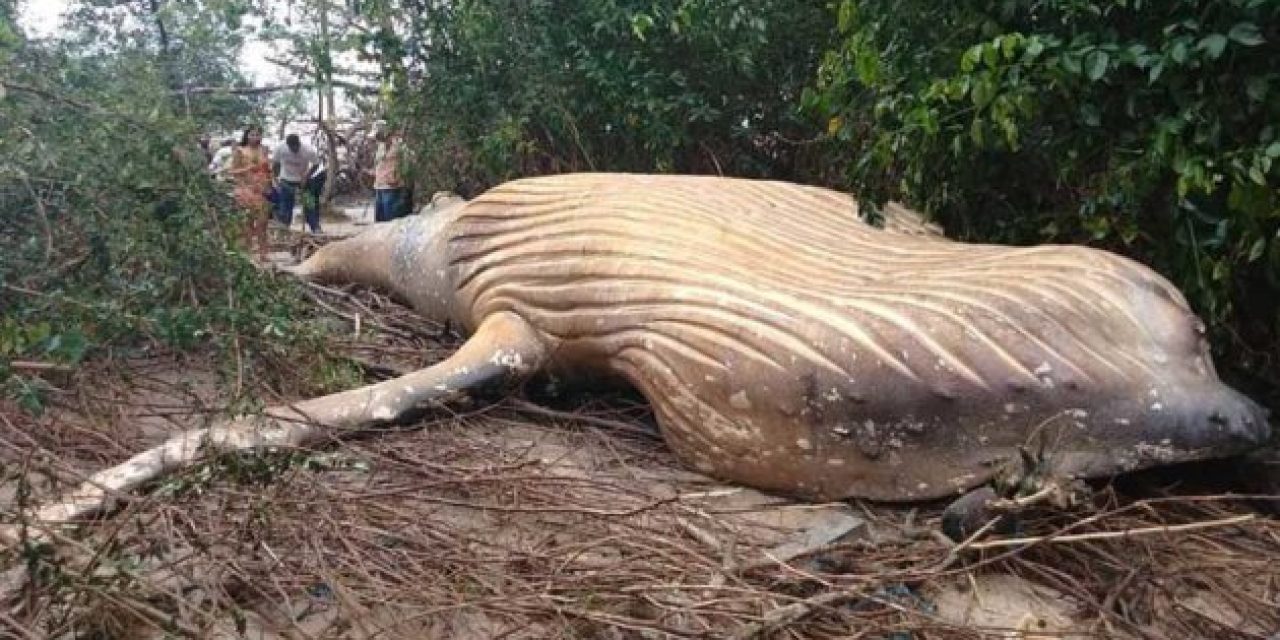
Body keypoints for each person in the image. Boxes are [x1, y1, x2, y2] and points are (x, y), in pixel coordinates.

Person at [224, 125, 273, 260]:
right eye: (252, 135)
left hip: (262, 191)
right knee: (248, 223)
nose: (255, 137)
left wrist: (271, 184)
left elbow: (268, 169)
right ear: (246, 136)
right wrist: (247, 169)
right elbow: (231, 171)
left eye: (258, 135)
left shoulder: (264, 150)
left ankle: (264, 253)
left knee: (263, 223)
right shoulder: (240, 151)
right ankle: (248, 252)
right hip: (246, 190)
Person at [272, 133, 321, 232]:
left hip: (304, 180)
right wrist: (275, 178)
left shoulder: (308, 150)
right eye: (292, 147)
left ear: (299, 143)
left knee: (309, 204)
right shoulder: (280, 148)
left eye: (296, 147)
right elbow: (276, 164)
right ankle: (284, 230)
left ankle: (315, 228)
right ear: (288, 145)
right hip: (286, 180)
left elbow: (316, 164)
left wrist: (307, 176)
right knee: (286, 207)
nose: (295, 149)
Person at [369, 123, 411, 222]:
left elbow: (408, 163)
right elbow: (380, 163)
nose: (376, 138)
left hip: (392, 188)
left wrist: (398, 178)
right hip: (379, 186)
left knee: (391, 220)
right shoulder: (380, 146)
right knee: (379, 221)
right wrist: (373, 172)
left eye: (378, 135)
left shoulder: (399, 145)